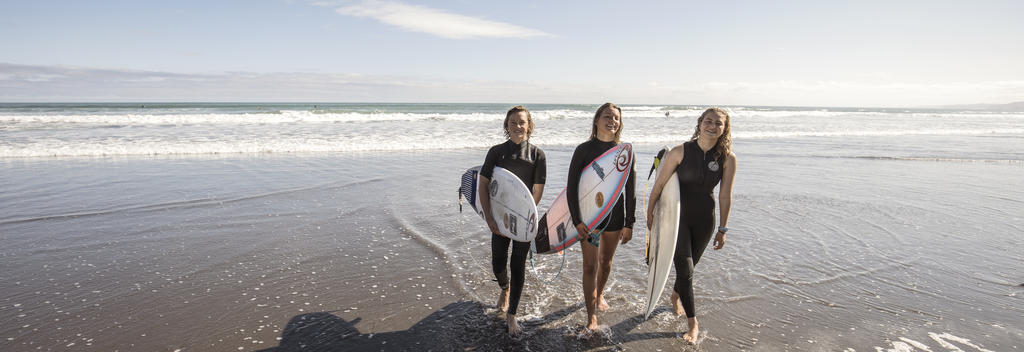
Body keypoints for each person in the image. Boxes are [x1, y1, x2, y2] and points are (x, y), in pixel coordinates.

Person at [646, 107, 737, 343]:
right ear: (700, 123)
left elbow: (726, 195)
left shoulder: (728, 158)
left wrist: (723, 229)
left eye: (718, 123)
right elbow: (659, 185)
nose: (712, 126)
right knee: (685, 270)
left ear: (724, 128)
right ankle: (693, 323)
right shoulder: (680, 151)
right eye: (708, 121)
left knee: (689, 269)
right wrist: (650, 212)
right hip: (677, 220)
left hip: (706, 219)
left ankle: (676, 295)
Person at [567, 102, 636, 333]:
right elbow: (571, 188)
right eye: (607, 116)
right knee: (589, 266)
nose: (612, 121)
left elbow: (630, 191)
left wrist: (629, 223)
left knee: (605, 263)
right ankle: (591, 316)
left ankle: (599, 294)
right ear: (596, 120)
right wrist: (577, 220)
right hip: (590, 219)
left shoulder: (624, 153)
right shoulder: (583, 150)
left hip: (615, 219)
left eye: (616, 118)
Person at [478, 105, 546, 337]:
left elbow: (537, 191)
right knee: (498, 263)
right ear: (507, 126)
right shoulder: (496, 152)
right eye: (513, 122)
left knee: (518, 266)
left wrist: (527, 218)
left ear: (529, 125)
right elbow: (484, 184)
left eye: (522, 122)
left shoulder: (537, 155)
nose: (518, 126)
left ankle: (512, 315)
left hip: (523, 221)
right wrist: (489, 216)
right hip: (499, 217)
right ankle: (504, 288)